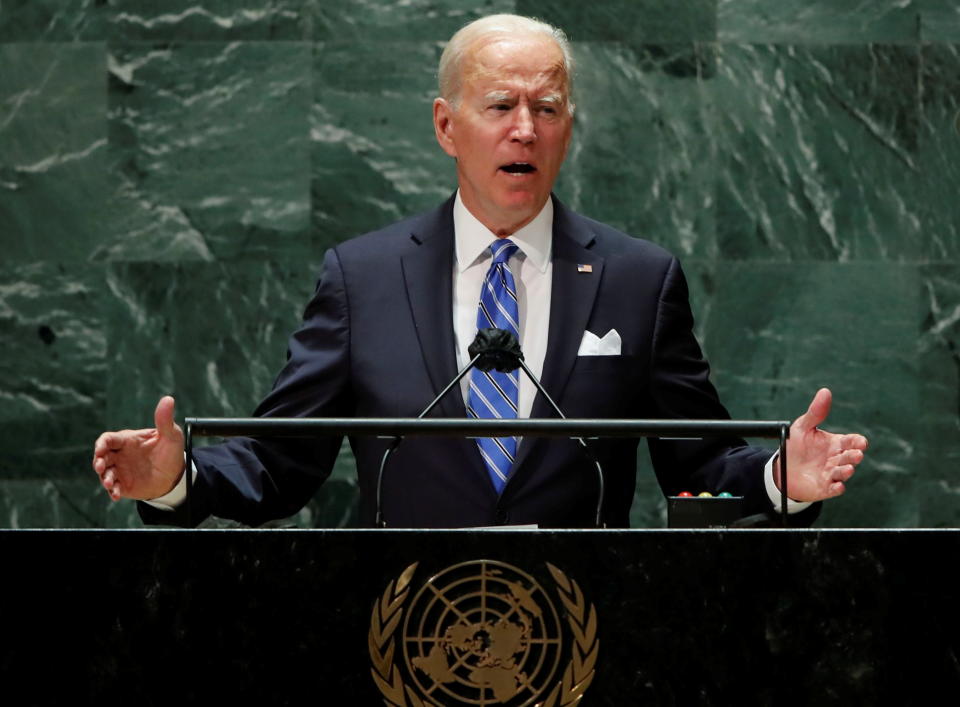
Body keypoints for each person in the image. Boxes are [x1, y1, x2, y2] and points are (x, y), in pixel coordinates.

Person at [92, 14, 867, 528]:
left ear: (569, 130)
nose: (525, 129)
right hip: (400, 640)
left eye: (548, 108)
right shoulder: (362, 278)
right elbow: (280, 458)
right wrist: (175, 475)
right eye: (500, 105)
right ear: (445, 126)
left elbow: (696, 461)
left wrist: (780, 478)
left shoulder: (639, 279)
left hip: (582, 642)